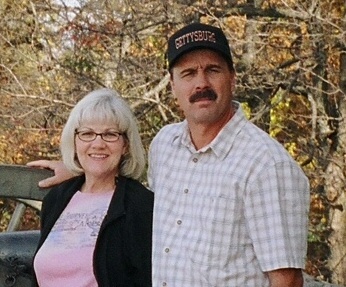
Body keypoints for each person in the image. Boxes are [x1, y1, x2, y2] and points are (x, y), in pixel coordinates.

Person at [28, 23, 310, 287]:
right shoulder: (166, 145)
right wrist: (82, 170)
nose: (201, 83)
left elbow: (287, 279)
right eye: (188, 74)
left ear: (232, 78)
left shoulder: (267, 165)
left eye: (213, 70)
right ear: (173, 85)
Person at [31, 88, 153, 287]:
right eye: (87, 133)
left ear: (126, 145)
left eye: (110, 134)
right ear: (75, 141)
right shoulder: (56, 200)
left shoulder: (141, 207)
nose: (98, 143)